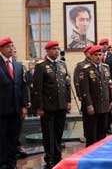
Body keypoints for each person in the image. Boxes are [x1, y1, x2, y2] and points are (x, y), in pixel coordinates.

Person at [32, 40, 71, 169]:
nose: (56, 51)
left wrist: (68, 101)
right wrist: (39, 106)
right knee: (49, 133)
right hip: (48, 106)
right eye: (53, 49)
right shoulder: (41, 66)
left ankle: (57, 155)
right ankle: (49, 157)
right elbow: (37, 88)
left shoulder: (62, 65)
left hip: (61, 105)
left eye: (57, 49)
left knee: (59, 131)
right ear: (47, 51)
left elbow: (67, 85)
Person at [79, 45, 112, 146]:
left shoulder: (105, 68)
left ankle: (100, 154)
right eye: (95, 55)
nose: (98, 57)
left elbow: (110, 85)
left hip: (104, 105)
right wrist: (89, 105)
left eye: (100, 54)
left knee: (102, 133)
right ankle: (90, 157)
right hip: (93, 107)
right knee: (92, 135)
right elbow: (85, 89)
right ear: (91, 56)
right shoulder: (85, 69)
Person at [0, 37, 27, 169]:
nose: (11, 48)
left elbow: (22, 86)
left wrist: (24, 105)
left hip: (16, 109)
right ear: (1, 49)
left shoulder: (17, 65)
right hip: (2, 109)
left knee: (13, 138)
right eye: (7, 46)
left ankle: (12, 163)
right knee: (2, 139)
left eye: (12, 46)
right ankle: (2, 163)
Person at [99, 38, 112, 129]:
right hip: (100, 84)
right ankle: (105, 125)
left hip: (110, 83)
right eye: (102, 44)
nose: (104, 46)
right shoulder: (97, 55)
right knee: (104, 104)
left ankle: (110, 124)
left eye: (106, 44)